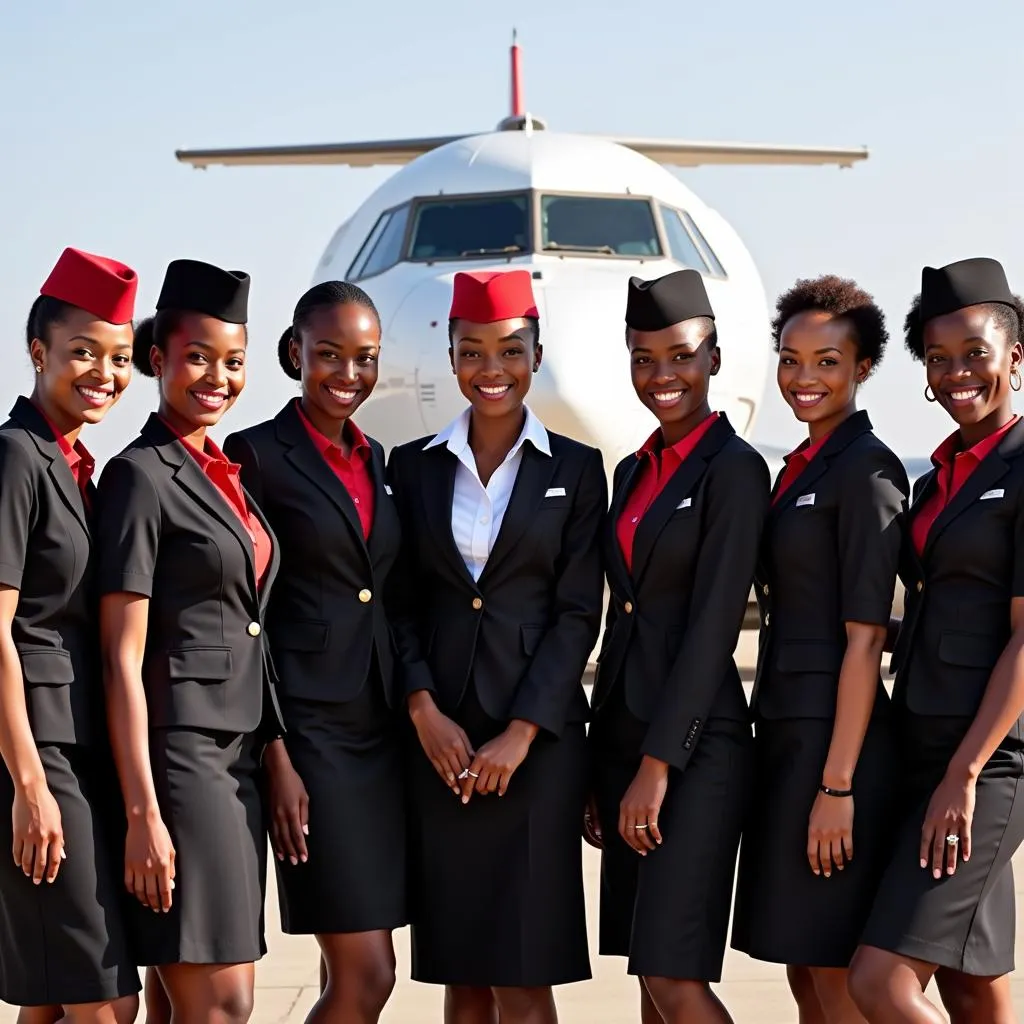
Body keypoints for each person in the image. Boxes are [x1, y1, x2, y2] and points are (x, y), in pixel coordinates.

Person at [387, 269, 605, 1024]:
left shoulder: (577, 471)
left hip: (535, 750)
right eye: (472, 351)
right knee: (463, 969)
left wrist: (520, 733)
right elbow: (399, 603)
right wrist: (421, 710)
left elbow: (577, 615)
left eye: (510, 351)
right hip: (440, 745)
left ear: (536, 356)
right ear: (449, 358)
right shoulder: (410, 467)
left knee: (523, 968)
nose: (492, 370)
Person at [96, 259, 282, 1024]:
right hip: (180, 760)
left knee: (191, 1004)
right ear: (156, 360)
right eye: (198, 356)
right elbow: (118, 657)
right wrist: (142, 811)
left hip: (238, 761)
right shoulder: (141, 475)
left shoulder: (227, 472)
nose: (217, 376)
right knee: (223, 1004)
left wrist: (275, 750)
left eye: (233, 361)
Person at [222, 281, 406, 1024]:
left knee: (365, 973)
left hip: (380, 734)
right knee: (368, 973)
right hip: (312, 738)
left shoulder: (380, 458)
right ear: (295, 352)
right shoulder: (257, 455)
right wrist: (276, 750)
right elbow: (248, 618)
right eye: (329, 354)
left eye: (364, 358)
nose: (348, 374)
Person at [589, 269, 768, 1024]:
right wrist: (610, 766)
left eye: (682, 356)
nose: (662, 375)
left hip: (695, 755)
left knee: (674, 976)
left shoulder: (735, 471)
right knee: (647, 978)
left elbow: (711, 628)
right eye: (643, 359)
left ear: (715, 359)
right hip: (628, 742)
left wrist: (658, 768)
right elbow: (621, 620)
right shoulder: (632, 471)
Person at [848, 257, 1024, 1024]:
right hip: (925, 743)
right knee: (971, 985)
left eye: (975, 353)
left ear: (1014, 357)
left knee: (880, 983)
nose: (957, 373)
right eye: (939, 358)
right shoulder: (938, 477)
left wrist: (966, 772)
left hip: (986, 761)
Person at [729, 276, 908, 1024]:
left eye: (828, 362)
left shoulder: (865, 474)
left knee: (835, 976)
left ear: (863, 367)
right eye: (791, 359)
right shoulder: (799, 469)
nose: (805, 379)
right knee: (805, 971)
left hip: (839, 749)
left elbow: (866, 642)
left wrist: (837, 789)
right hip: (788, 734)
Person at [0, 247, 140, 1024]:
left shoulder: (78, 463)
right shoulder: (16, 457)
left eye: (119, 358)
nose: (104, 372)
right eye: (83, 351)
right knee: (102, 997)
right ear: (38, 351)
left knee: (57, 997)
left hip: (78, 750)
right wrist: (29, 787)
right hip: (39, 755)